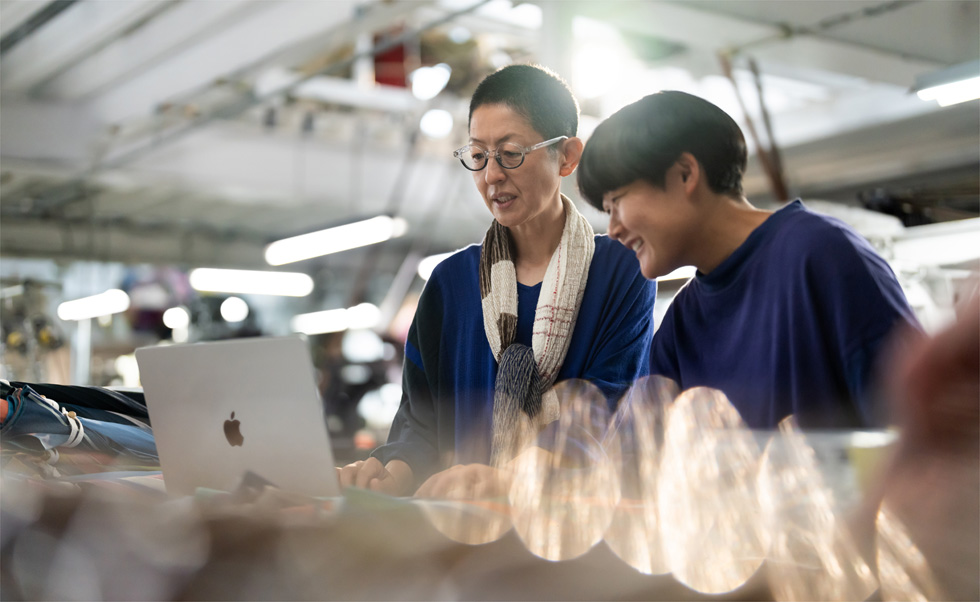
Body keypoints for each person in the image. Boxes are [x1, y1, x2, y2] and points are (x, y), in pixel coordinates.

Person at [338, 65, 657, 496]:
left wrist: (513, 481)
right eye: (478, 155)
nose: (491, 175)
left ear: (566, 156)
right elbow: (420, 423)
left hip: (573, 519)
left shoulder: (620, 270)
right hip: (459, 519)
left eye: (510, 153)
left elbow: (606, 404)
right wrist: (389, 473)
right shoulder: (450, 285)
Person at [576, 90, 919, 429]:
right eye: (607, 210)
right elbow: (650, 453)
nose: (614, 229)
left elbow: (924, 426)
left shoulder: (822, 255)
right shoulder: (681, 324)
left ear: (685, 174)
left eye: (617, 202)